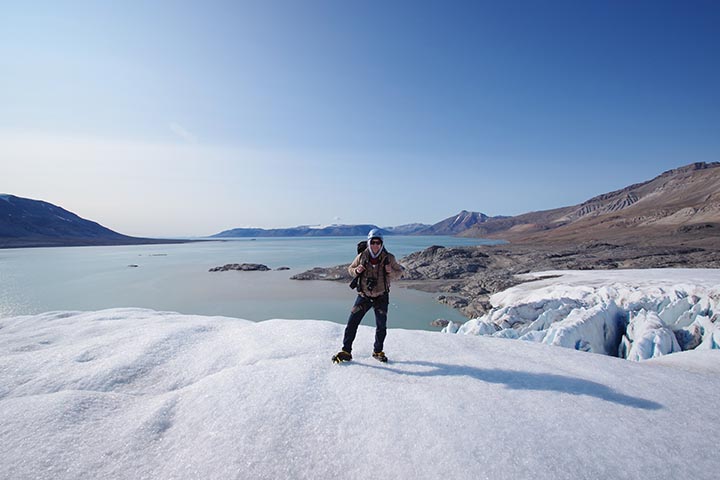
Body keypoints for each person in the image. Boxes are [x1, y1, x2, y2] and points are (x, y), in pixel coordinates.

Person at [332, 228, 404, 363]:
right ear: (369, 242)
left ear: (382, 243)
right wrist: (356, 270)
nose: (375, 245)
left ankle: (378, 351)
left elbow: (399, 272)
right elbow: (350, 269)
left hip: (381, 296)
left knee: (381, 326)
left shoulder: (389, 258)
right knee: (352, 323)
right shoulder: (361, 256)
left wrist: (390, 272)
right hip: (364, 296)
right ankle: (346, 351)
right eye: (373, 242)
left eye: (378, 242)